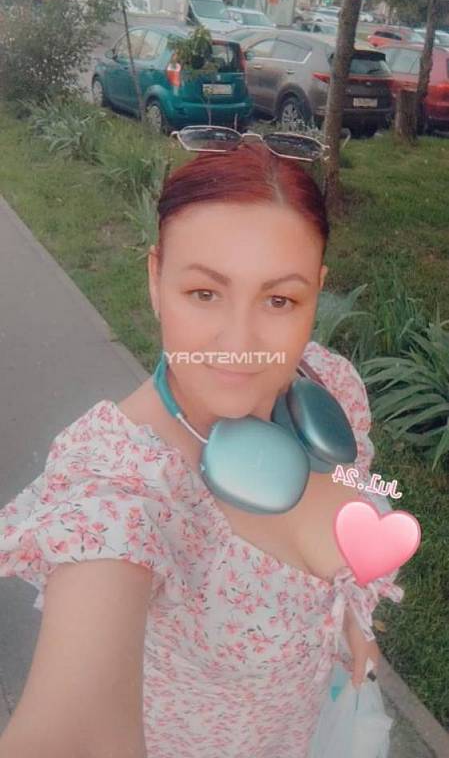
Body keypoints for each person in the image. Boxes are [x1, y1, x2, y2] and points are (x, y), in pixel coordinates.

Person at [0, 136, 403, 758]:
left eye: (280, 299)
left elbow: (361, 493)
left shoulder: (328, 386)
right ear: (155, 279)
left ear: (316, 292)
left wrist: (352, 618)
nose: (239, 342)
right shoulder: (121, 484)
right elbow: (65, 730)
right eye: (205, 293)